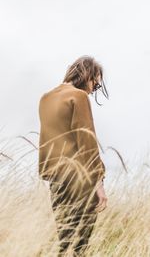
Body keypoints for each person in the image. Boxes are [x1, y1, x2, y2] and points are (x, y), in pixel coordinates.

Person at [38, 56, 109, 256]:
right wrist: (99, 182)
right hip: (80, 179)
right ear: (87, 74)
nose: (93, 89)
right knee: (80, 245)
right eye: (95, 84)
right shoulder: (78, 96)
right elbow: (87, 141)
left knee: (66, 239)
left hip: (56, 180)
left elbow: (47, 141)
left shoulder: (45, 98)